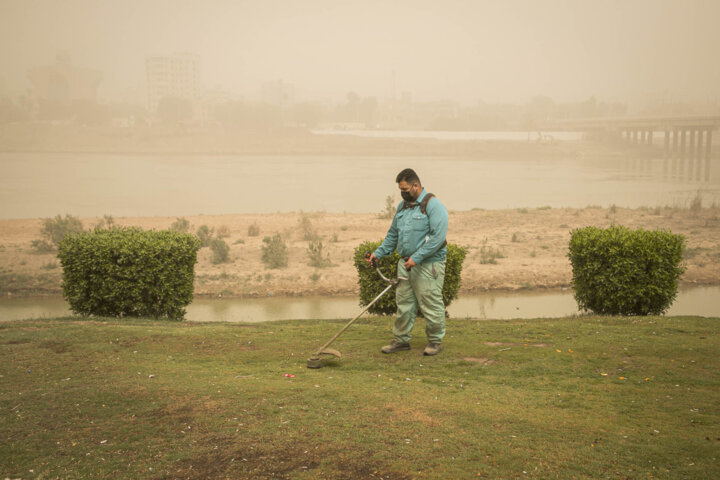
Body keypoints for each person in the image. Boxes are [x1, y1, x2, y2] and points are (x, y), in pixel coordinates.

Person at [366, 168, 449, 356]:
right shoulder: (403, 207)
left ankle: (435, 342)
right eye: (400, 190)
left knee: (431, 303)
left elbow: (438, 238)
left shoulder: (434, 206)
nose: (402, 193)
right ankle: (401, 341)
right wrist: (379, 253)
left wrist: (417, 258)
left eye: (405, 189)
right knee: (404, 304)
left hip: (428, 266)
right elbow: (393, 235)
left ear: (416, 185)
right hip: (405, 265)